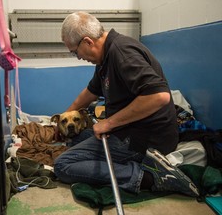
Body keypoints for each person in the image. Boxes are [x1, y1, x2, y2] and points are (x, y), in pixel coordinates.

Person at [54, 11, 199, 197]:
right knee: (75, 137)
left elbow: (159, 96)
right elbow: (91, 92)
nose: (79, 57)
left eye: (75, 52)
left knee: (63, 165)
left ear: (88, 42)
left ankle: (150, 177)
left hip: (146, 140)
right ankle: (128, 165)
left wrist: (108, 123)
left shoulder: (122, 53)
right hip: (129, 132)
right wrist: (64, 116)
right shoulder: (105, 56)